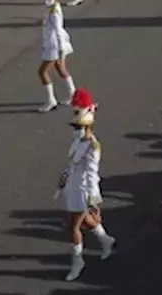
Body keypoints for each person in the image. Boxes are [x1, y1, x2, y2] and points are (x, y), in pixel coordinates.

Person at [57, 88, 116, 281]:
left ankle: (78, 261)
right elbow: (71, 163)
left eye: (79, 126)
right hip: (72, 187)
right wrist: (63, 182)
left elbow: (92, 174)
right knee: (83, 220)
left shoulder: (92, 146)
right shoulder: (78, 139)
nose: (76, 130)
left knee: (73, 226)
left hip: (83, 190)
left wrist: (93, 200)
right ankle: (105, 240)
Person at [37, 0, 77, 113]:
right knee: (61, 69)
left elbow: (58, 30)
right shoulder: (52, 7)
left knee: (42, 72)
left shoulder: (54, 11)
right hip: (54, 44)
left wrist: (60, 49)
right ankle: (73, 94)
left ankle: (51, 100)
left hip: (54, 45)